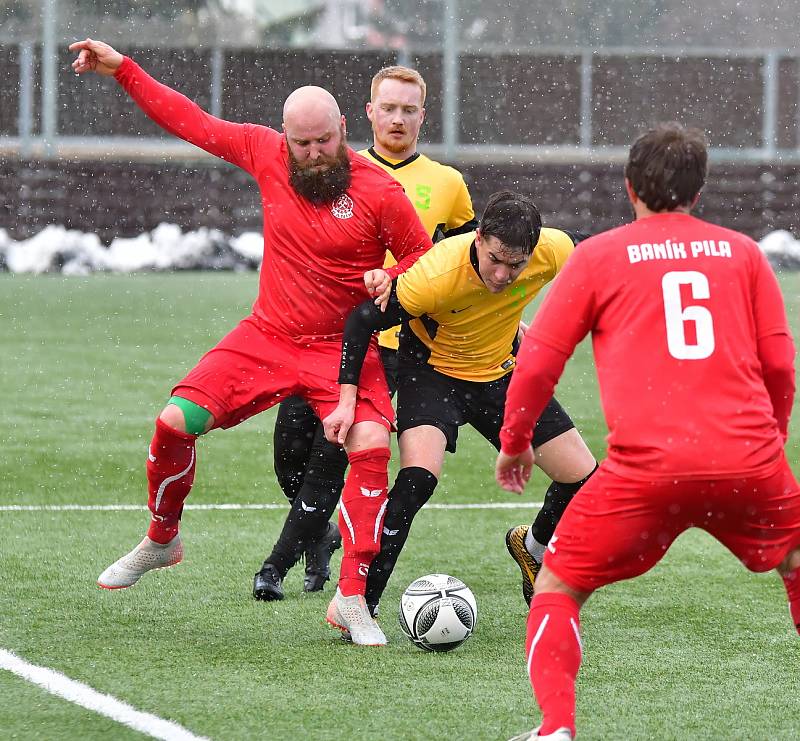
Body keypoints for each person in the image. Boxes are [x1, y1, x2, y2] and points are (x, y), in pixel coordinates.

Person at [69, 38, 434, 647]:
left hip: (340, 352)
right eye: (302, 143)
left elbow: (426, 258)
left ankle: (351, 599)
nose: (315, 155)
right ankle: (163, 538)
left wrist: (391, 277)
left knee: (372, 442)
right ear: (284, 136)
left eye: (324, 141)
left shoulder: (380, 192)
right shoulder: (264, 152)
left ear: (344, 128)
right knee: (172, 421)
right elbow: (192, 121)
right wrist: (124, 70)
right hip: (266, 335)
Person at [496, 123, 800, 741]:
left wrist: (515, 441)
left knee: (556, 582)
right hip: (750, 463)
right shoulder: (742, 254)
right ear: (700, 190)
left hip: (645, 471)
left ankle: (555, 727)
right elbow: (779, 366)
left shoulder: (599, 256)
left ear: (629, 187)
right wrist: (768, 444)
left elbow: (537, 364)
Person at [253, 65, 477, 600]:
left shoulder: (447, 184)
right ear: (368, 113)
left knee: (331, 455)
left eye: (409, 109)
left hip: (391, 348)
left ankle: (275, 566)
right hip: (316, 341)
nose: (398, 119)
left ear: (424, 115)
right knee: (289, 454)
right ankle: (320, 538)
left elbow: (463, 265)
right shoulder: (328, 169)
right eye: (389, 107)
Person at [324, 190, 597, 619]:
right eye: (495, 259)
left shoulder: (553, 249)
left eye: (516, 264)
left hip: (500, 374)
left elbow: (602, 250)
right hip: (433, 376)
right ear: (478, 237)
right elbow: (360, 321)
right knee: (416, 481)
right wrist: (344, 401)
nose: (504, 274)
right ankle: (360, 602)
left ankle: (533, 547)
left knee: (583, 478)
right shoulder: (435, 276)